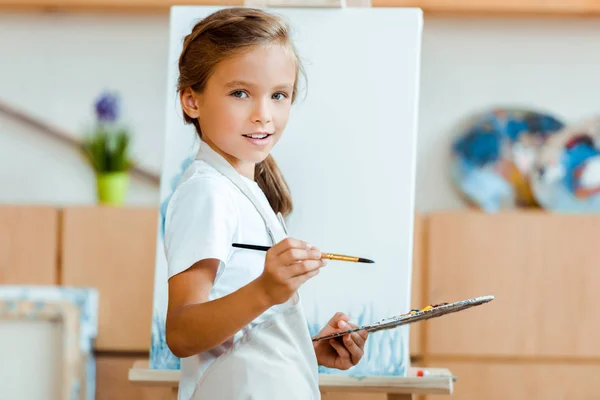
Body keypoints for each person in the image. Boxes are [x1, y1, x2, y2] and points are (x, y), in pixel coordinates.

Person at [164, 7, 368, 399]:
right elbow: (182, 332)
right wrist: (266, 291)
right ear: (192, 100)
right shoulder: (207, 192)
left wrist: (304, 350)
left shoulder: (244, 190)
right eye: (240, 93)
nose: (263, 115)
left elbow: (237, 341)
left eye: (279, 95)